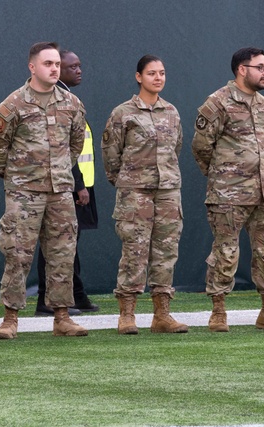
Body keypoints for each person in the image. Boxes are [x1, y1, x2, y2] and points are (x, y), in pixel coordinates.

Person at [191, 47, 264, 333]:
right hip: (228, 194)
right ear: (242, 69)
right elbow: (201, 147)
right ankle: (218, 312)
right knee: (225, 253)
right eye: (260, 67)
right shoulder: (218, 103)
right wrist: (222, 176)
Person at [0, 42, 89, 339]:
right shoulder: (13, 104)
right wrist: (18, 177)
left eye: (57, 63)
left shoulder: (72, 104)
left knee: (62, 254)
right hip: (24, 192)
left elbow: (75, 144)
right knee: (17, 254)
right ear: (32, 67)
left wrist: (57, 172)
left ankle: (61, 316)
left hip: (60, 191)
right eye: (48, 64)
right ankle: (10, 318)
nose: (55, 68)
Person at [102, 54, 187, 335]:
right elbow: (111, 156)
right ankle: (127, 315)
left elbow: (176, 149)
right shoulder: (122, 113)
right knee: (134, 252)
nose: (158, 78)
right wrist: (127, 181)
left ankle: (162, 314)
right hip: (135, 192)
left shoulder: (172, 112)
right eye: (152, 73)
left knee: (166, 253)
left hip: (167, 192)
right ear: (139, 77)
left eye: (162, 73)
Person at [35, 49, 100, 315]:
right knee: (55, 243)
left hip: (80, 183)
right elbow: (63, 149)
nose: (78, 70)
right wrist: (78, 184)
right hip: (68, 185)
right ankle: (45, 300)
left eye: (78, 65)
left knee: (69, 243)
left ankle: (76, 294)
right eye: (72, 67)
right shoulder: (57, 101)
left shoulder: (70, 98)